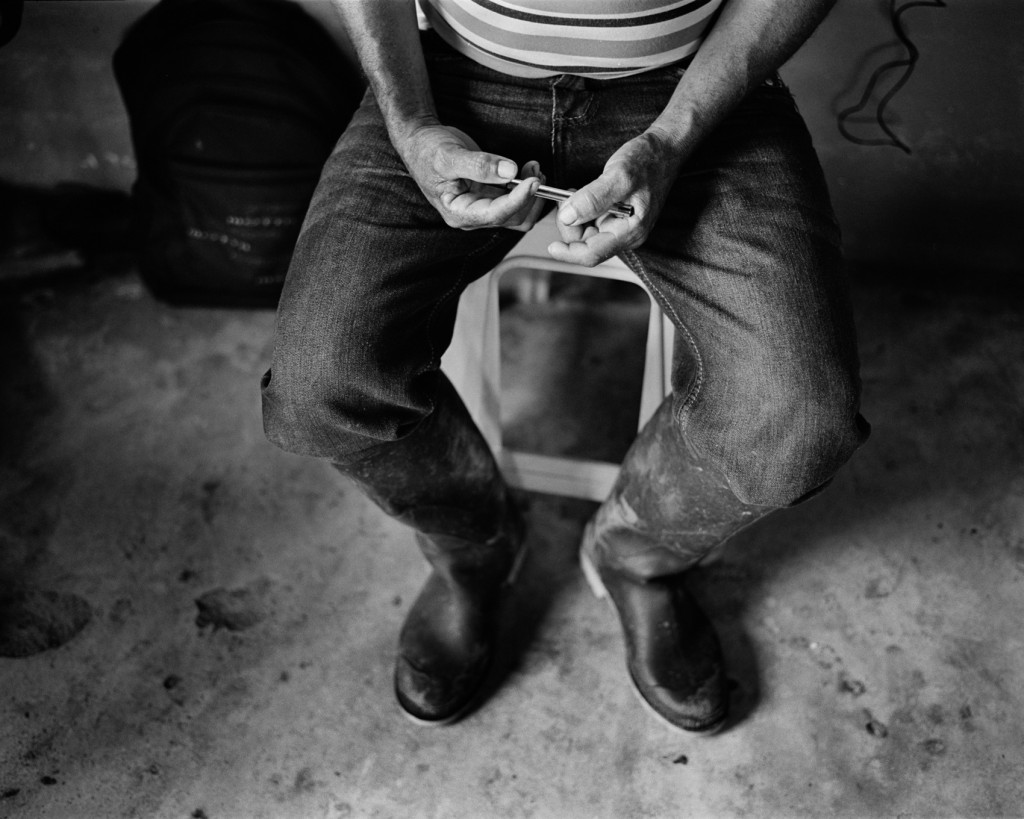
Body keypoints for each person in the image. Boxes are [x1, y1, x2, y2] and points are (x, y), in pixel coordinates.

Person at [261, 0, 870, 733]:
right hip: (452, 80)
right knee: (320, 385)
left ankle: (640, 554)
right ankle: (475, 549)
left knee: (798, 420)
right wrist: (410, 122)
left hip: (695, 89)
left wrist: (675, 137)